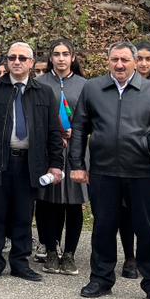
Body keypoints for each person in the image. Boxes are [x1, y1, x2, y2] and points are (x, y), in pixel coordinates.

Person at [70, 42, 150, 299]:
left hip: (142, 171)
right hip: (104, 170)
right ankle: (100, 278)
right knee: (103, 226)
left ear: (135, 62)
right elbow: (80, 127)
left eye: (125, 60)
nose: (120, 65)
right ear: (108, 61)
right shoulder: (93, 88)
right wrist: (77, 164)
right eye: (115, 59)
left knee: (148, 229)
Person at [0, 42, 65, 282]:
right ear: (7, 61)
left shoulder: (44, 93)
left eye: (23, 58)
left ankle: (20, 262)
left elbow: (54, 131)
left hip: (29, 164)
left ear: (32, 63)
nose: (17, 62)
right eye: (12, 57)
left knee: (23, 215)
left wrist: (56, 164)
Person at [35, 39, 88, 274]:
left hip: (77, 150)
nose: (61, 58)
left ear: (73, 58)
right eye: (56, 54)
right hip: (49, 150)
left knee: (73, 203)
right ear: (51, 58)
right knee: (47, 202)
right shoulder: (39, 83)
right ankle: (50, 250)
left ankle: (69, 254)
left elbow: (93, 118)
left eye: (66, 54)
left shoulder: (86, 85)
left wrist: (77, 131)